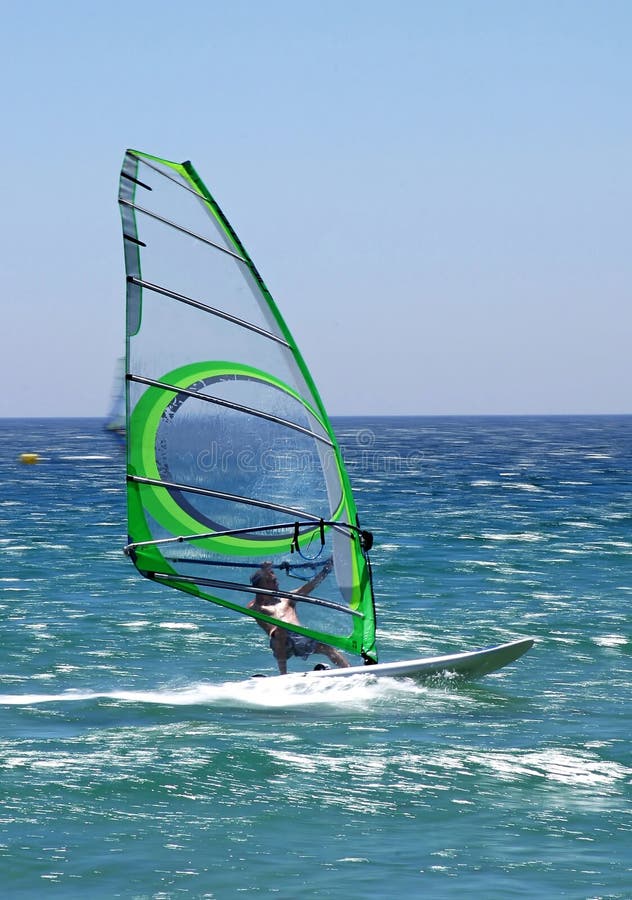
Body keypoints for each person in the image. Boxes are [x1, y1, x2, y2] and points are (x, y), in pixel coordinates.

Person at [247, 560, 350, 674]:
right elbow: (256, 601)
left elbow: (311, 585)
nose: (277, 583)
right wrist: (263, 571)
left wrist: (327, 568)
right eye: (272, 581)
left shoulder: (287, 598)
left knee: (328, 649)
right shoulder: (257, 606)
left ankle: (349, 670)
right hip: (280, 642)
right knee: (280, 629)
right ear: (261, 585)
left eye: (276, 580)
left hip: (299, 638)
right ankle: (283, 675)